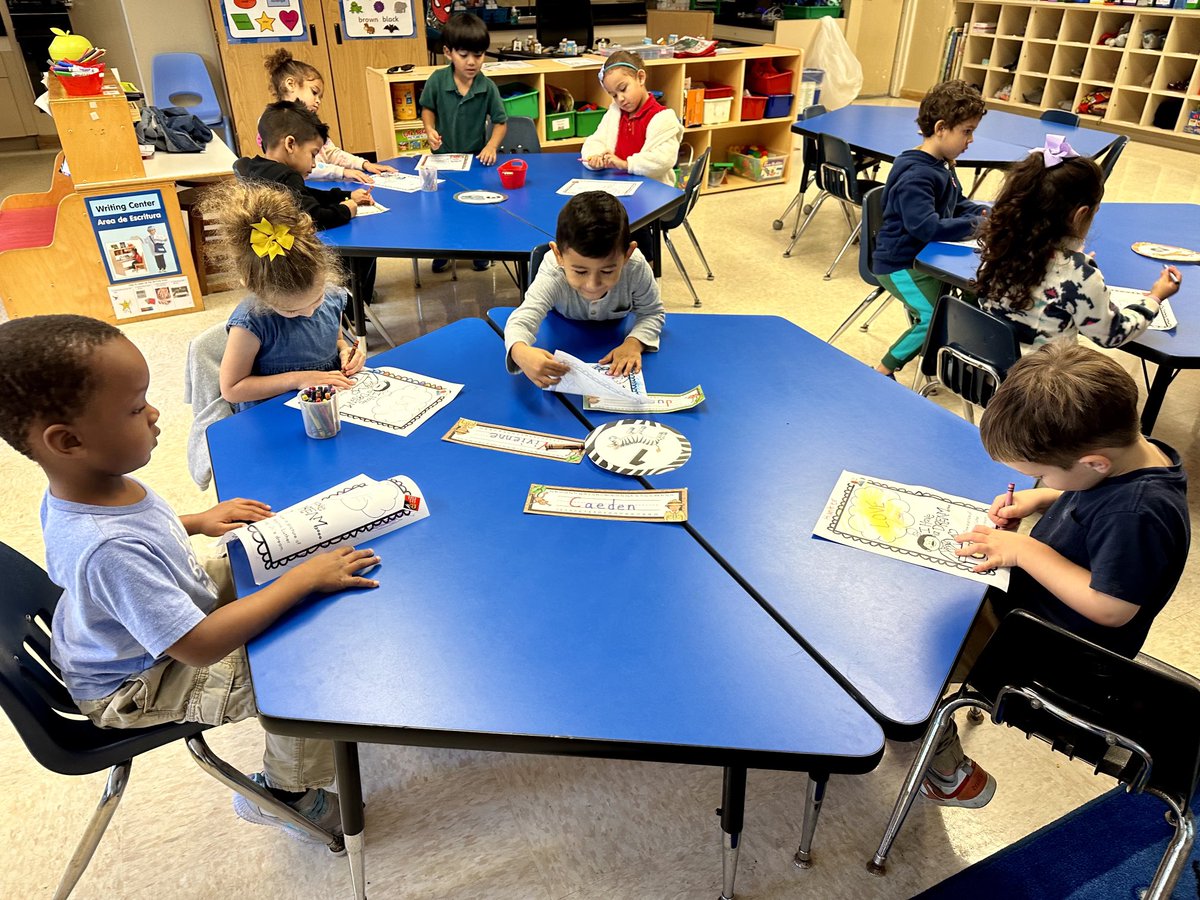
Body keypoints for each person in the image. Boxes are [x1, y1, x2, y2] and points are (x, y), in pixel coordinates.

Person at [0, 314, 383, 842]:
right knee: (303, 670)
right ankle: (287, 792)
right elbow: (199, 647)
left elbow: (139, 539)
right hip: (141, 681)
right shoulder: (107, 548)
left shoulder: (83, 489)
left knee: (278, 562)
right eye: (136, 408)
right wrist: (300, 583)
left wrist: (195, 522)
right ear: (67, 441)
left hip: (151, 622)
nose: (155, 415)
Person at [922, 341, 1190, 808]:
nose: (1039, 481)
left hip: (1051, 654)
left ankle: (948, 773)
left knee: (917, 657)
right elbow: (1091, 503)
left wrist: (1023, 550)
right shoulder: (1129, 458)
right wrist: (1042, 500)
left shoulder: (1139, 514)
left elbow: (1111, 608)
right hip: (1026, 612)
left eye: (1040, 474)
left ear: (1093, 463)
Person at [976, 138, 1181, 351]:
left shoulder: (998, 247)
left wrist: (1069, 258)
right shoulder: (1077, 273)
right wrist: (1155, 298)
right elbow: (1112, 334)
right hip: (1037, 380)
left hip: (985, 371)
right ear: (1081, 214)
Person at [198, 179, 366, 412]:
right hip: (272, 413)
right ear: (254, 288)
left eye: (316, 300)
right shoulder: (251, 323)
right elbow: (232, 388)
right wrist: (298, 379)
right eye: (291, 310)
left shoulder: (331, 297)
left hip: (328, 404)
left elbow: (336, 339)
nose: (308, 312)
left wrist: (345, 351)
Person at [872, 80, 990, 377]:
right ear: (941, 129)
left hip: (926, 259)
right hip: (900, 265)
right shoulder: (918, 175)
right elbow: (927, 227)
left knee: (972, 294)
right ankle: (882, 370)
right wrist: (978, 226)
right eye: (967, 131)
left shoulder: (942, 164)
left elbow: (957, 203)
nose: (971, 140)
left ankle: (948, 355)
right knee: (934, 318)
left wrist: (988, 213)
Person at [505, 191, 664, 386]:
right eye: (580, 271)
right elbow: (522, 318)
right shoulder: (554, 271)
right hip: (563, 334)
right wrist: (519, 351)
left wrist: (634, 343)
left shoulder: (636, 266)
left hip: (615, 338)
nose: (592, 284)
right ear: (558, 255)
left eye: (607, 271)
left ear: (627, 254)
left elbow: (653, 312)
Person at [235, 99, 378, 305]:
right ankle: (352, 310)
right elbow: (314, 216)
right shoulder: (287, 176)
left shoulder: (253, 168)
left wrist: (344, 196)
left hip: (269, 262)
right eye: (312, 154)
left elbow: (305, 195)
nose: (313, 164)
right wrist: (346, 210)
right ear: (290, 144)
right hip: (298, 260)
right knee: (363, 250)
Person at [419, 12, 507, 273]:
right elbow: (427, 109)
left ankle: (479, 251)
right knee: (445, 210)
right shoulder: (437, 80)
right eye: (464, 55)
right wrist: (429, 129)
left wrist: (491, 146)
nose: (472, 62)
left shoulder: (488, 87)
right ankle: (444, 251)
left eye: (478, 56)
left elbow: (501, 122)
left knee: (477, 209)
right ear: (448, 52)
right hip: (442, 158)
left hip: (475, 160)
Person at [262, 49, 398, 184]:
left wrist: (363, 164)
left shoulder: (309, 121)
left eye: (320, 97)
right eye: (314, 92)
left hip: (326, 184)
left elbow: (331, 152)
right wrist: (341, 172)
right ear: (291, 84)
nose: (318, 101)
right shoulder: (274, 122)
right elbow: (301, 165)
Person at [581, 50, 684, 187]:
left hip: (652, 188)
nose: (620, 99)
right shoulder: (615, 113)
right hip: (618, 185)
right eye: (614, 95)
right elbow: (596, 140)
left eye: (623, 89)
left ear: (640, 78)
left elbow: (663, 159)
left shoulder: (662, 118)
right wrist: (595, 156)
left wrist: (626, 164)